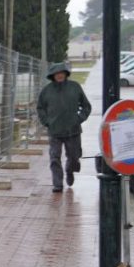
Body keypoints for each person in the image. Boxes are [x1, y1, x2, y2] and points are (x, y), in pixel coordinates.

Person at [36, 62, 91, 193]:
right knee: (54, 157)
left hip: (73, 131)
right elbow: (40, 108)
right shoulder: (46, 91)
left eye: (62, 73)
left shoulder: (75, 87)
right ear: (52, 76)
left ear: (66, 74)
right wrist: (46, 121)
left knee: (73, 157)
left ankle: (70, 170)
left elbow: (86, 106)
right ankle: (57, 184)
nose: (59, 76)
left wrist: (79, 119)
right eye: (56, 74)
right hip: (54, 131)